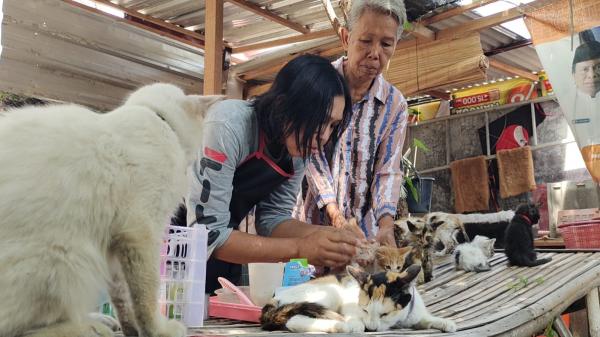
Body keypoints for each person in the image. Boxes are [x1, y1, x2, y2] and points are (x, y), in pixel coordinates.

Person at [186, 54, 360, 293]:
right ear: (283, 105)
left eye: (332, 125)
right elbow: (208, 234)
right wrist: (301, 248)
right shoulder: (228, 125)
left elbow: (273, 219)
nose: (324, 136)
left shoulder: (297, 148)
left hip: (221, 256)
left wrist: (330, 238)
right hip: (169, 247)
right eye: (320, 120)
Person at [294, 0, 409, 247]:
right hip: (307, 229)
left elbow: (388, 169)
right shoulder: (319, 86)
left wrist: (386, 225)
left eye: (386, 44)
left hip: (361, 238)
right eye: (366, 41)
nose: (375, 53)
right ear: (346, 38)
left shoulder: (395, 105)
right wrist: (336, 217)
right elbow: (310, 154)